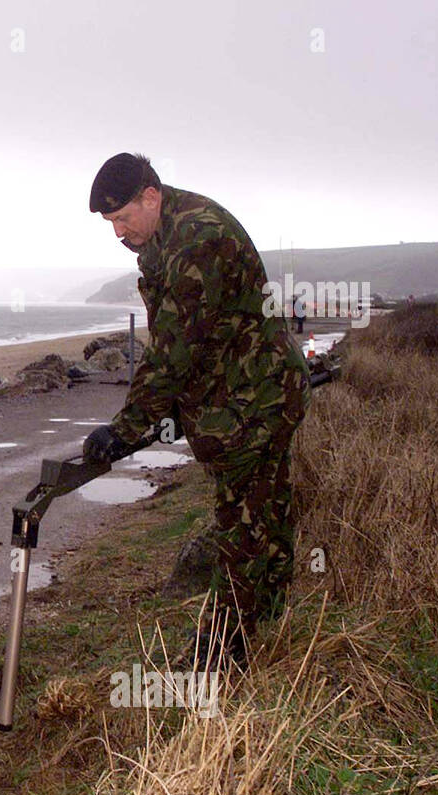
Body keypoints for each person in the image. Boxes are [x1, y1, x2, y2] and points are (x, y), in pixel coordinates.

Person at [81, 153, 309, 664]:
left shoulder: (195, 241)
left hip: (256, 400)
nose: (117, 233)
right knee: (265, 516)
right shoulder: (163, 233)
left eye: (122, 218)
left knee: (243, 526)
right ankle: (268, 626)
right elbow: (187, 343)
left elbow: (173, 350)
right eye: (109, 223)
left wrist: (126, 430)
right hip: (247, 393)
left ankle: (217, 658)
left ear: (151, 196)